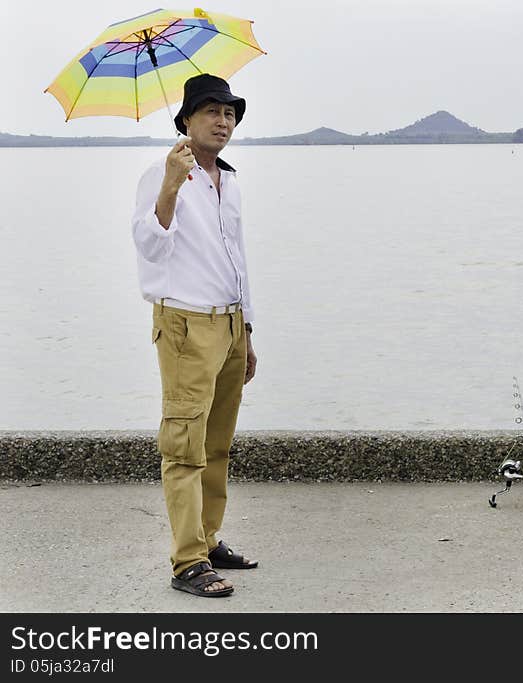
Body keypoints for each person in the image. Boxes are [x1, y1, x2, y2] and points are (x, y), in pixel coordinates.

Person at [131, 73, 258, 597]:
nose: (222, 121)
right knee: (184, 445)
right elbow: (149, 245)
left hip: (228, 323)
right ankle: (187, 561)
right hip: (185, 322)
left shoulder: (229, 181)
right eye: (210, 111)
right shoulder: (163, 174)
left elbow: (238, 260)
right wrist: (169, 183)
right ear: (186, 120)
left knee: (218, 443)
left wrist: (246, 329)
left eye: (229, 113)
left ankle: (206, 538)